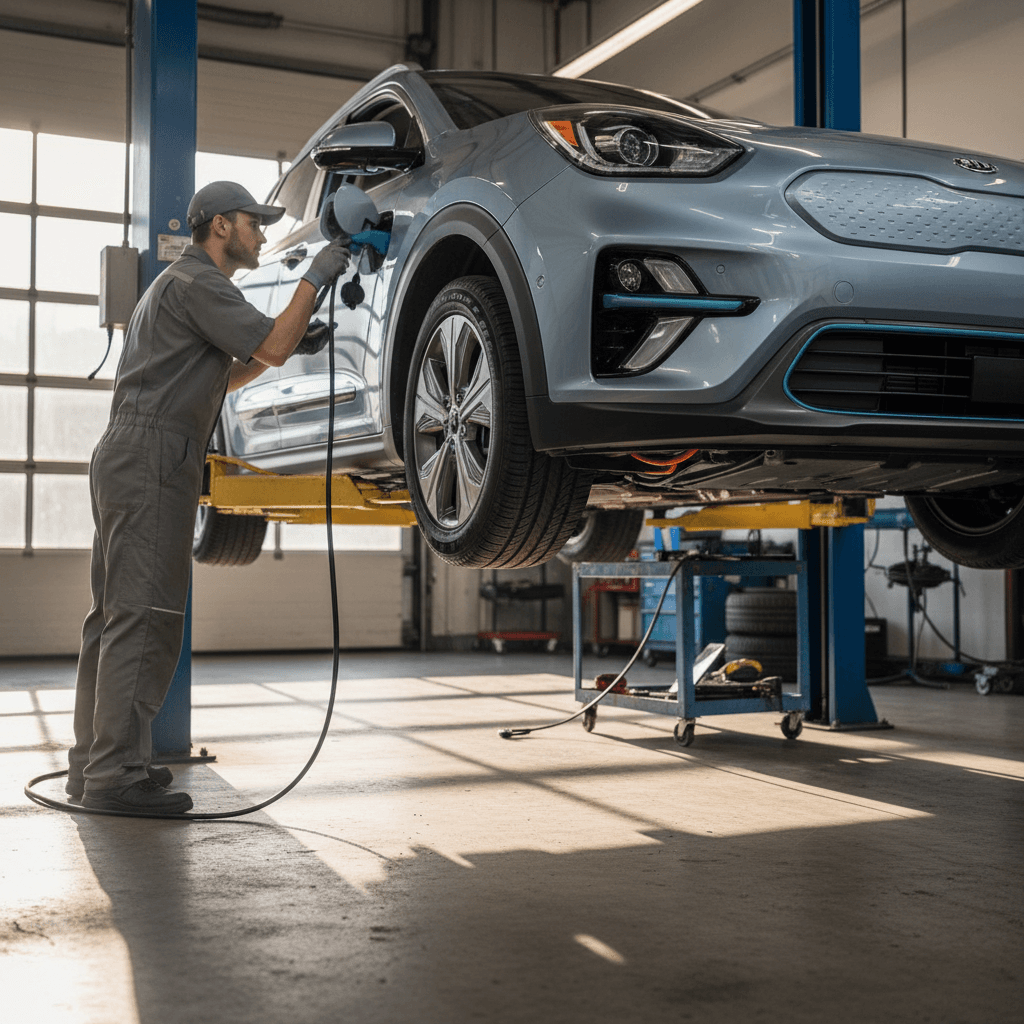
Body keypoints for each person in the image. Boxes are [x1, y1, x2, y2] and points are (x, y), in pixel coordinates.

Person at [67, 181, 350, 814]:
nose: (261, 233)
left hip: (131, 451)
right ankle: (114, 778)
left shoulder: (180, 286)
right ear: (220, 226)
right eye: (254, 223)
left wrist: (288, 339)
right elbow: (271, 345)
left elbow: (233, 370)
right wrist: (316, 278)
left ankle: (96, 766)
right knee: (145, 616)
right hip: (154, 456)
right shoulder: (202, 283)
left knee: (112, 616)